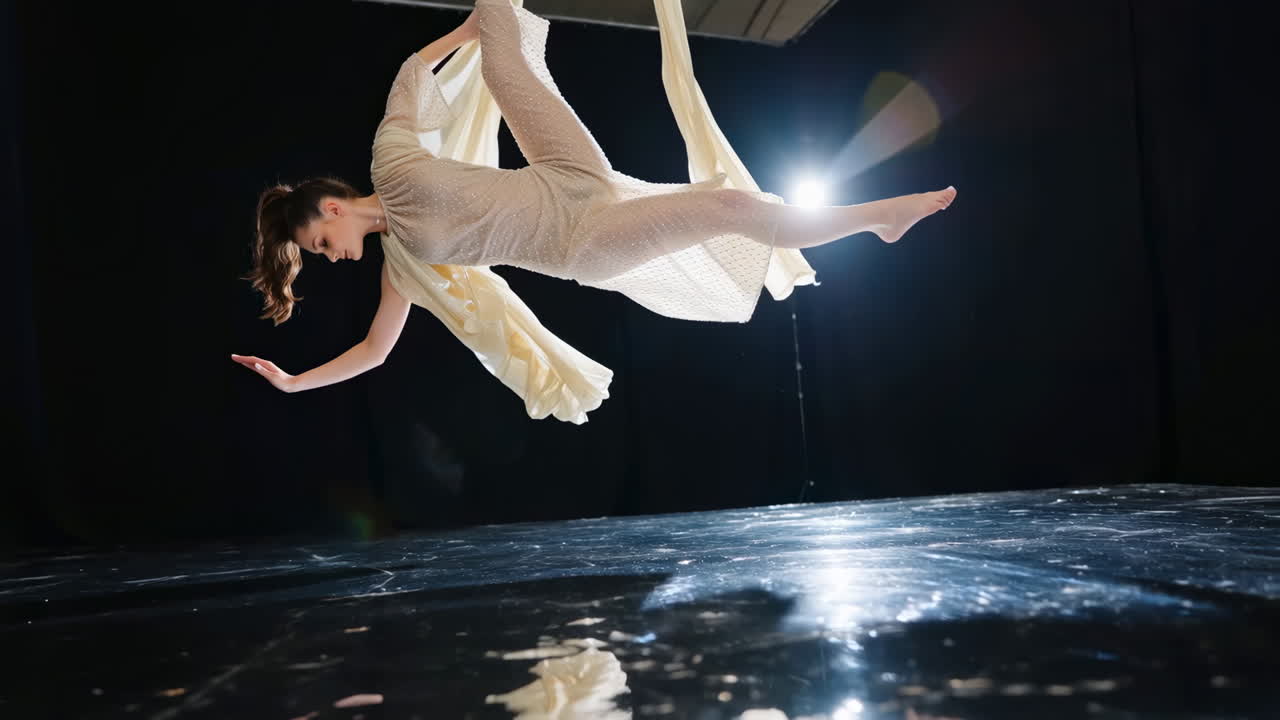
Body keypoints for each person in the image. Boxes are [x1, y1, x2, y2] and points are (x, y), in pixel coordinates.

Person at [233, 0, 955, 422]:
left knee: (503, 49)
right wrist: (295, 381)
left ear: (331, 206)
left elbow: (413, 73)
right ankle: (876, 218)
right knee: (733, 206)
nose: (331, 257)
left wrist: (469, 32)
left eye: (320, 243)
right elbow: (374, 351)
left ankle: (493, 15)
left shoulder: (391, 160)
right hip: (584, 238)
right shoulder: (408, 263)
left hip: (568, 174)